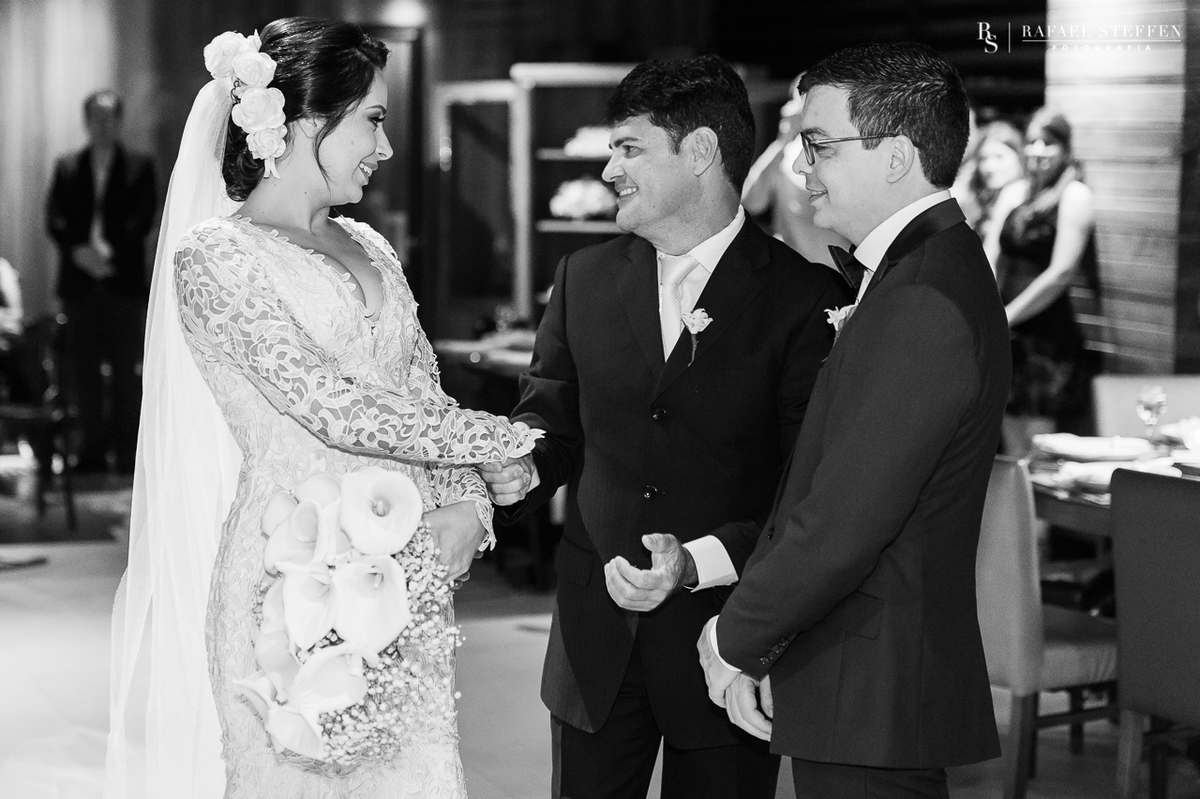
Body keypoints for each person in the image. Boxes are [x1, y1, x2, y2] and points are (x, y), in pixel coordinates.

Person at [105, 18, 540, 799]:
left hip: (395, 571)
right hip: (286, 575)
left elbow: (419, 393)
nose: (386, 146)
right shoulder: (216, 258)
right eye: (372, 119)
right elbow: (331, 406)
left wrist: (474, 500)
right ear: (305, 120)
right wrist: (500, 437)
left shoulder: (372, 247)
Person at [480, 55, 848, 799]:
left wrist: (698, 560)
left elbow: (806, 490)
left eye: (629, 147)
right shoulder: (582, 277)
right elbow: (549, 418)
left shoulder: (805, 300)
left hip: (728, 645)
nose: (610, 168)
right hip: (596, 639)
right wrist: (521, 468)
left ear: (701, 152)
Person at [696, 42, 1009, 799]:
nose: (802, 168)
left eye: (819, 145)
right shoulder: (921, 272)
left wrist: (735, 636)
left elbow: (846, 516)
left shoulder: (922, 298)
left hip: (874, 678)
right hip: (859, 672)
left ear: (896, 156)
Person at [46, 89, 157, 473]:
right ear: (87, 122)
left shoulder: (138, 165)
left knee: (126, 372)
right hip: (79, 284)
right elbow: (55, 218)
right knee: (83, 372)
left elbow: (141, 219)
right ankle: (90, 451)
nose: (103, 125)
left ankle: (127, 453)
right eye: (96, 118)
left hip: (121, 281)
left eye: (110, 118)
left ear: (119, 122)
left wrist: (106, 252)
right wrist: (79, 251)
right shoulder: (67, 166)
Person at [985, 109, 1099, 454]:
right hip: (1004, 331)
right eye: (1032, 141)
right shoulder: (1013, 192)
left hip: (1046, 336)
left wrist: (1009, 315)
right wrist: (985, 310)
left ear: (1065, 149)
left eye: (1048, 143)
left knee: (1036, 455)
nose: (1038, 150)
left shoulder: (1075, 194)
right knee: (1008, 455)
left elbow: (1061, 272)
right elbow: (990, 257)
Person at [741, 74, 850, 268]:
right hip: (790, 272)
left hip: (835, 272)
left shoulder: (843, 148)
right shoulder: (785, 152)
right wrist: (782, 140)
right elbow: (753, 202)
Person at [958, 120, 1026, 243]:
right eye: (983, 159)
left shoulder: (1024, 197)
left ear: (1019, 156)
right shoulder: (977, 200)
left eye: (999, 157)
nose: (989, 167)